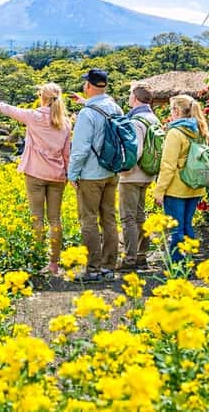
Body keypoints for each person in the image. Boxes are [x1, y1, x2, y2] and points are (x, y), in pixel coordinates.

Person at [0, 83, 71, 275]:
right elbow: (66, 154)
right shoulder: (65, 122)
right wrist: (67, 175)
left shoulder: (34, 116)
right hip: (57, 176)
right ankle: (54, 264)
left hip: (35, 173)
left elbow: (10, 110)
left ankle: (38, 259)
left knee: (37, 218)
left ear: (43, 97)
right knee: (55, 219)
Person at [68, 68, 123, 282]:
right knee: (109, 218)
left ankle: (93, 269)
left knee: (89, 220)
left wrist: (72, 174)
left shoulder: (87, 113)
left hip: (91, 174)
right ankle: (109, 267)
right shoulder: (115, 108)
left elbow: (80, 149)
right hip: (111, 171)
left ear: (89, 86)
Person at [153, 94, 209, 262]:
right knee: (187, 226)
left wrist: (159, 190)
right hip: (195, 186)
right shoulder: (200, 130)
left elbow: (168, 165)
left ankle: (178, 266)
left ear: (177, 111)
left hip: (176, 189)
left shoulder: (175, 132)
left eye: (171, 109)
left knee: (176, 229)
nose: (170, 113)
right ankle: (188, 262)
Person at [117, 85, 160, 272]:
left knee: (128, 218)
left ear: (135, 98)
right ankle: (142, 256)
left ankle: (130, 259)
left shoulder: (136, 120)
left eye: (129, 94)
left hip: (132, 175)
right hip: (148, 174)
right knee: (141, 217)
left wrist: (123, 169)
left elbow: (136, 150)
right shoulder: (153, 118)